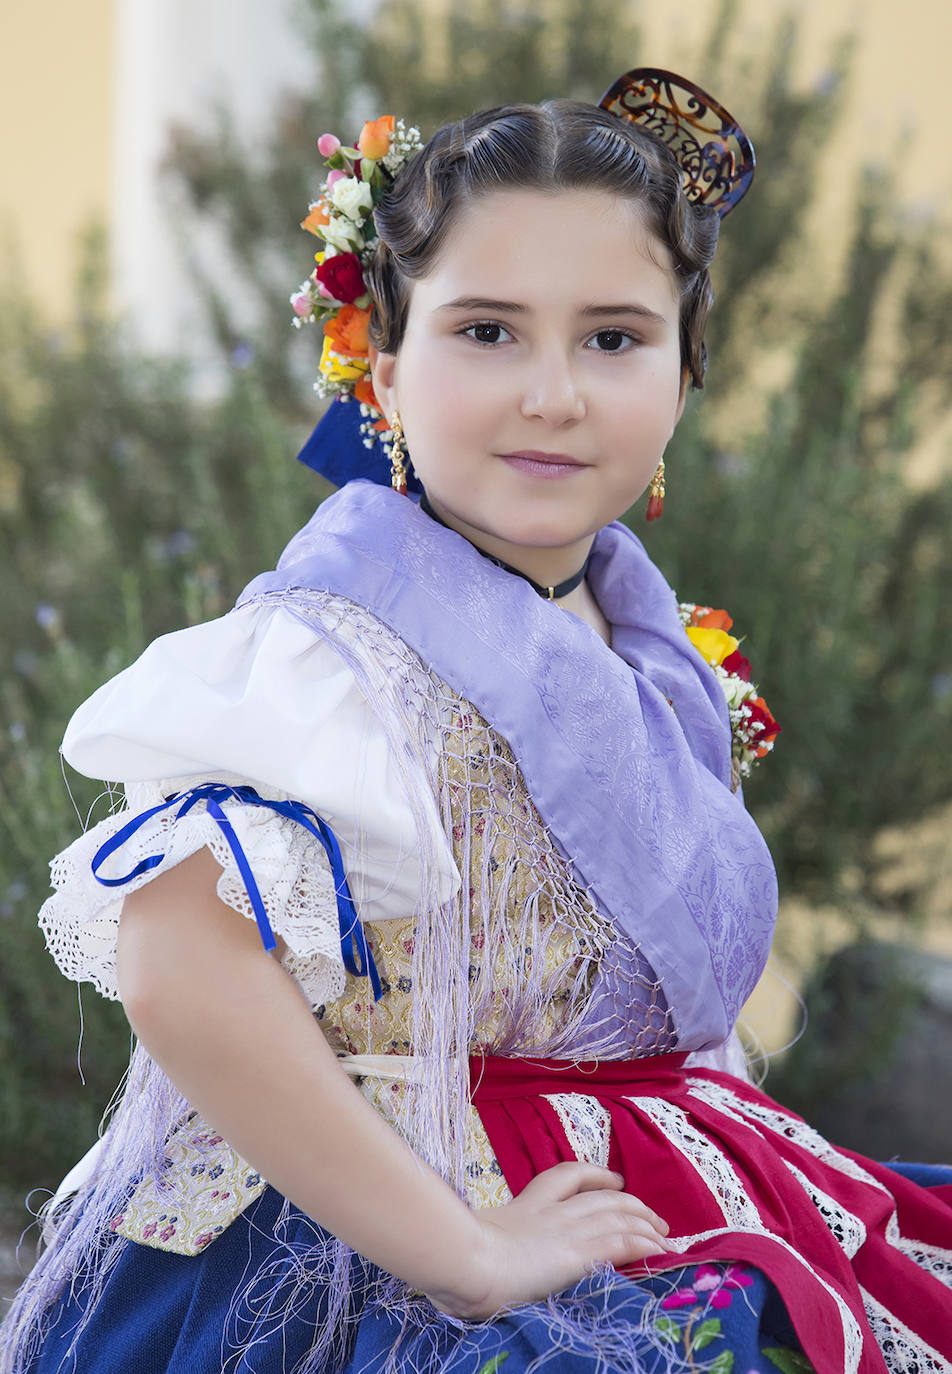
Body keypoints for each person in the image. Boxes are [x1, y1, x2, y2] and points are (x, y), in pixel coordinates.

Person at [2, 68, 950, 1374]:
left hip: (656, 1183)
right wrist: (464, 1251)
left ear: (684, 378)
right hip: (389, 1244)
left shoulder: (649, 647)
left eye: (614, 338)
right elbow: (180, 958)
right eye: (488, 331)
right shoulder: (322, 663)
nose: (551, 393)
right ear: (383, 373)